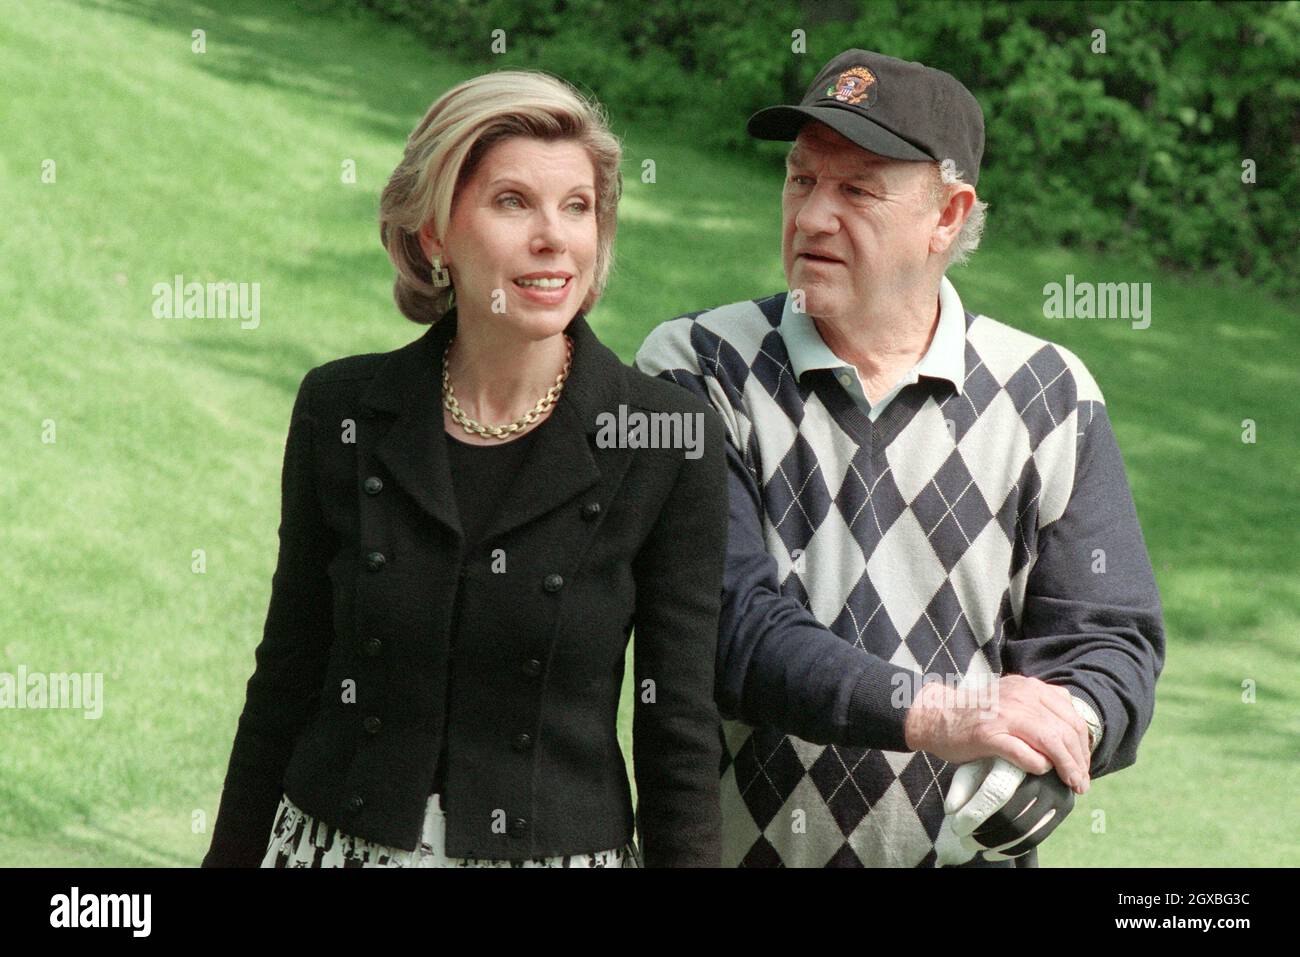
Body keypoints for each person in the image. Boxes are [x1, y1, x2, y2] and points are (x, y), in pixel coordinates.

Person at [635, 49, 1165, 867]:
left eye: (856, 190)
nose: (812, 216)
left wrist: (1070, 726)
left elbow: (1110, 636)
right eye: (801, 179)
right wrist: (946, 714)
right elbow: (729, 626)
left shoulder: (1049, 393)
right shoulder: (697, 366)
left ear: (947, 217)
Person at [202, 70, 727, 868]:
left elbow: (679, 728)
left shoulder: (665, 437)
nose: (554, 237)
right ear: (434, 234)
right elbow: (285, 676)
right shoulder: (338, 408)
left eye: (577, 206)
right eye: (513, 201)